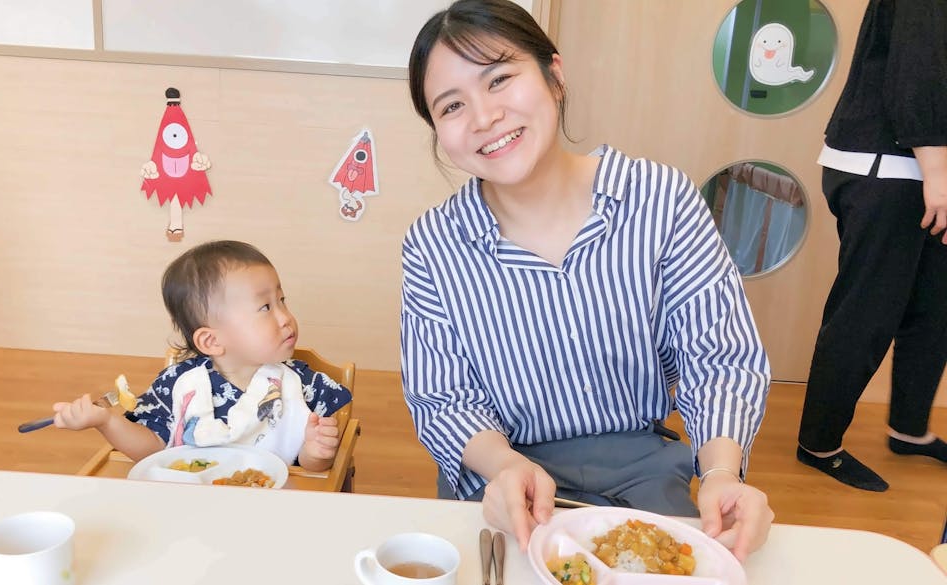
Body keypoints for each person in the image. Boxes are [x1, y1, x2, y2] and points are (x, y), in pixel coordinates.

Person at [401, 0, 773, 560]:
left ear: (554, 74)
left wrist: (722, 471)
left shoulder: (661, 199)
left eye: (499, 78)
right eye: (452, 106)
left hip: (641, 470)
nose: (483, 117)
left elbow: (717, 355)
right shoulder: (431, 244)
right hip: (502, 470)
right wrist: (505, 467)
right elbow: (441, 397)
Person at [797, 0, 947, 491]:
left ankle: (908, 429)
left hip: (921, 171)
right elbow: (915, 72)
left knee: (934, 305)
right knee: (866, 311)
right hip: (889, 168)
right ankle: (818, 443)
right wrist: (938, 175)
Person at [53, 240, 352, 472]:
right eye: (266, 308)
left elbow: (313, 472)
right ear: (211, 340)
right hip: (191, 506)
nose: (286, 318)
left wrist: (314, 453)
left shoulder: (305, 385)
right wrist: (105, 422)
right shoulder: (179, 386)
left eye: (282, 301)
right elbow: (154, 450)